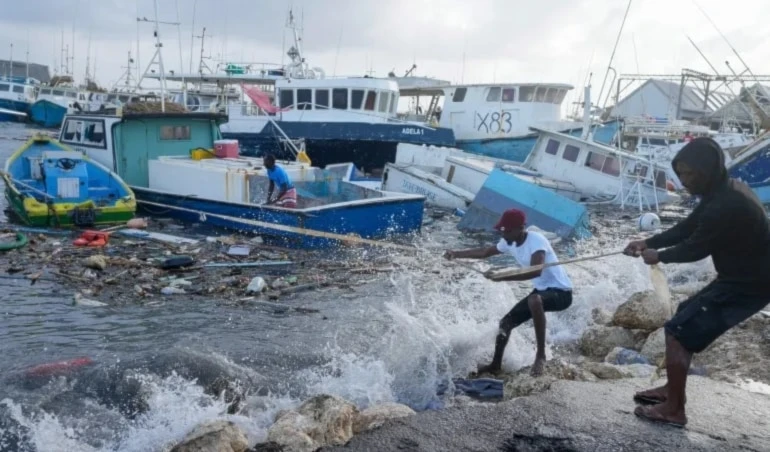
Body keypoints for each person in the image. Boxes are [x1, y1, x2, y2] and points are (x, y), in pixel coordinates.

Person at [624, 137, 770, 428]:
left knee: (677, 331)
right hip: (741, 276)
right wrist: (647, 241)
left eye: (689, 174)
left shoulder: (725, 204)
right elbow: (687, 228)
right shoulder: (722, 191)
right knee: (684, 312)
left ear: (707, 169)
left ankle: (675, 410)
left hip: (751, 283)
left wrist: (657, 255)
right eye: (681, 174)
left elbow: (695, 248)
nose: (684, 181)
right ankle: (671, 391)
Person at [444, 209, 573, 377]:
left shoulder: (537, 241)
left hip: (562, 293)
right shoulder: (509, 241)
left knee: (534, 300)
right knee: (505, 323)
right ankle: (496, 364)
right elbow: (485, 252)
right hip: (542, 292)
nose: (504, 234)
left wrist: (502, 276)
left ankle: (540, 356)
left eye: (508, 231)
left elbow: (535, 271)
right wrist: (456, 254)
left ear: (521, 228)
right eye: (502, 230)